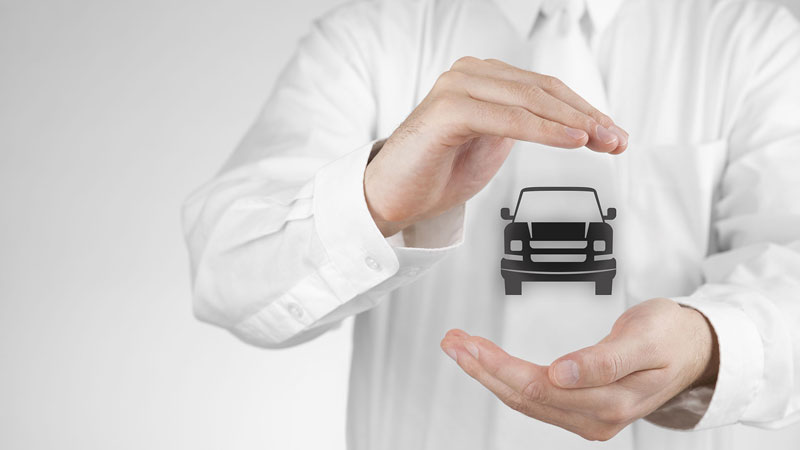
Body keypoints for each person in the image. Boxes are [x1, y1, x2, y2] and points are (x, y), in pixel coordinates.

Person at [181, 0, 800, 448]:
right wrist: (372, 200)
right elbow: (226, 273)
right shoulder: (371, 36)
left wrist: (708, 346)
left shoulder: (756, 40)